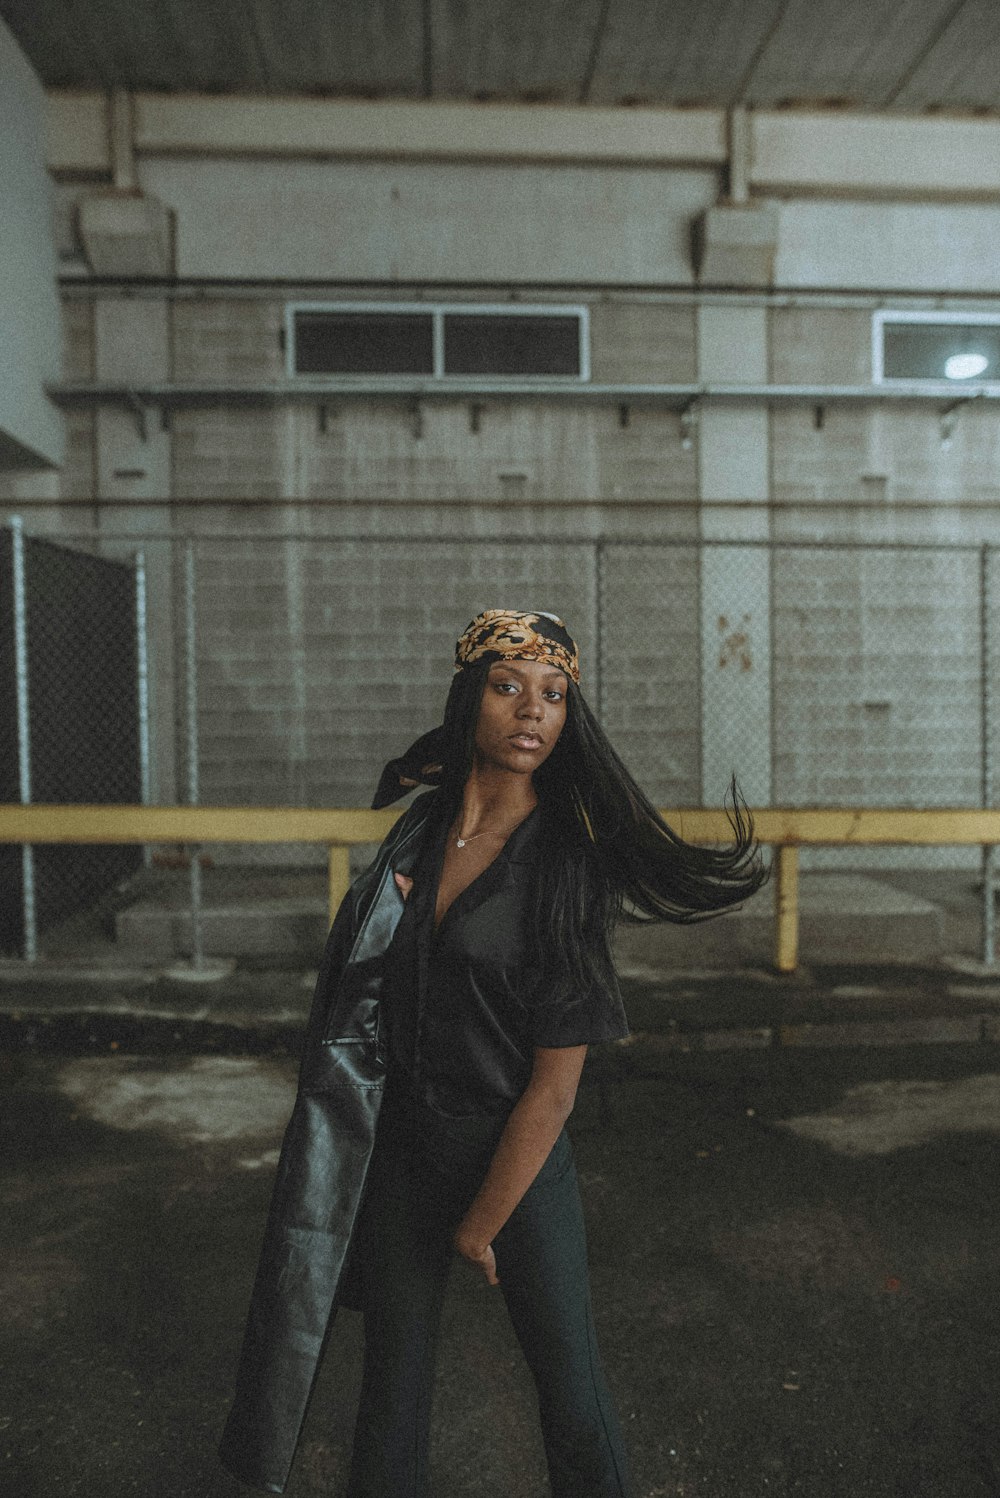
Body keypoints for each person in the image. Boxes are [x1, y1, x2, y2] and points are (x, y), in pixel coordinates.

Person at [218, 608, 766, 1498]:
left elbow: (553, 1089)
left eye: (553, 695)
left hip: (512, 1160)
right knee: (390, 1391)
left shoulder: (565, 865)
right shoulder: (417, 837)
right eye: (509, 688)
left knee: (569, 1392)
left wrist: (481, 1223)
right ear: (470, 697)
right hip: (398, 1150)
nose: (531, 713)